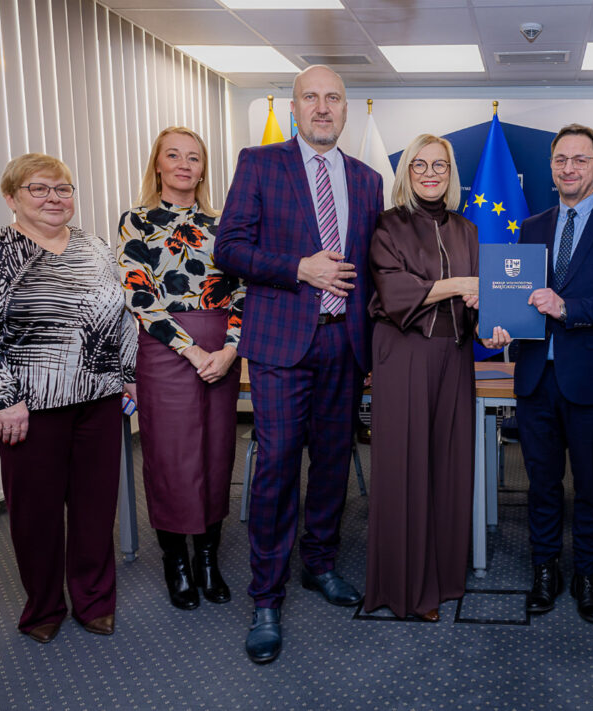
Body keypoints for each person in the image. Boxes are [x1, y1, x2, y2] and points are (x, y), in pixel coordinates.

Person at [214, 65, 384, 664]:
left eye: (333, 98)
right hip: (282, 345)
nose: (322, 107)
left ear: (345, 109)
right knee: (278, 466)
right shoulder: (260, 164)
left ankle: (320, 563)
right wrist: (298, 268)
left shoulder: (367, 180)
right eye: (310, 97)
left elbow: (374, 268)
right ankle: (266, 596)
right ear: (294, 108)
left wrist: (375, 345)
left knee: (334, 463)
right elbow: (229, 248)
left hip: (345, 344)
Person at [483, 124, 593, 624]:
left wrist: (568, 308)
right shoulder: (531, 226)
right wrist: (501, 328)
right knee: (541, 483)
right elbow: (519, 298)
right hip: (537, 378)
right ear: (551, 168)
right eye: (561, 159)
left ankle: (587, 574)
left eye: (580, 159)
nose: (569, 168)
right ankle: (545, 569)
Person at [0, 153, 137, 643]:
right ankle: (42, 607)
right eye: (38, 189)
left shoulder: (94, 246)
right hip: (29, 408)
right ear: (11, 197)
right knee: (35, 515)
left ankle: (94, 601)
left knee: (95, 508)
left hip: (99, 398)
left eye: (63, 189)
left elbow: (120, 315)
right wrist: (1, 398)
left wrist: (128, 374)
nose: (54, 198)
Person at [118, 126, 245, 611]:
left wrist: (230, 350)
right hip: (165, 349)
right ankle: (177, 562)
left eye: (194, 157)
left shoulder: (224, 222)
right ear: (158, 164)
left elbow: (243, 290)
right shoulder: (136, 221)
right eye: (173, 155)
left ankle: (208, 558)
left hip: (222, 349)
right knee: (171, 458)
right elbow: (139, 296)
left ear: (203, 167)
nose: (184, 164)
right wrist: (191, 351)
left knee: (216, 454)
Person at [363, 134, 478, 622]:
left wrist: (489, 311)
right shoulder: (387, 225)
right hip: (404, 353)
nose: (431, 174)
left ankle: (445, 577)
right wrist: (460, 285)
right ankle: (408, 588)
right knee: (406, 467)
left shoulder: (467, 229)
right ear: (407, 172)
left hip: (456, 355)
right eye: (420, 165)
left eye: (440, 166)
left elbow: (476, 302)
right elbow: (394, 293)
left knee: (450, 465)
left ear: (451, 174)